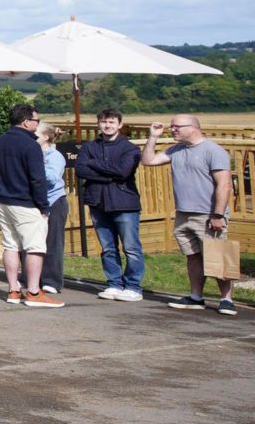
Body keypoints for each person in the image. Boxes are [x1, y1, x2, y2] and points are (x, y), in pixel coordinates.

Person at [144, 114, 236, 314]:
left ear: (193, 127)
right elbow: (149, 160)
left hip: (208, 214)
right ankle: (196, 297)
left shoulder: (213, 150)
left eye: (176, 127)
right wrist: (153, 137)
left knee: (218, 256)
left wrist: (218, 215)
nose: (172, 130)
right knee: (193, 257)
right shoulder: (177, 150)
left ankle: (226, 299)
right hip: (183, 213)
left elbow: (224, 183)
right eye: (171, 126)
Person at [0, 103, 59, 307]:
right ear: (26, 121)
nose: (37, 124)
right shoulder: (31, 145)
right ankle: (34, 292)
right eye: (36, 120)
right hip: (25, 201)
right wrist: (43, 206)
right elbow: (37, 179)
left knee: (10, 245)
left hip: (2, 199)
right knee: (35, 246)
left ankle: (13, 290)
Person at [74, 109, 145, 301]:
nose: (108, 125)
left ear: (120, 125)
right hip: (98, 202)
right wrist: (108, 175)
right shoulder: (90, 147)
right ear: (98, 124)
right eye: (104, 122)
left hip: (124, 203)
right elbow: (80, 170)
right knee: (107, 247)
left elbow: (123, 172)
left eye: (112, 122)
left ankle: (133, 286)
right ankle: (114, 283)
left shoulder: (129, 148)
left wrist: (94, 164)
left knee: (131, 247)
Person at [36, 122, 70, 295]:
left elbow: (51, 177)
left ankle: (52, 281)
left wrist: (35, 166)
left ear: (46, 137)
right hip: (35, 202)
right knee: (34, 242)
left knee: (53, 242)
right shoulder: (32, 154)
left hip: (54, 201)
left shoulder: (55, 156)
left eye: (36, 135)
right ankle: (33, 277)